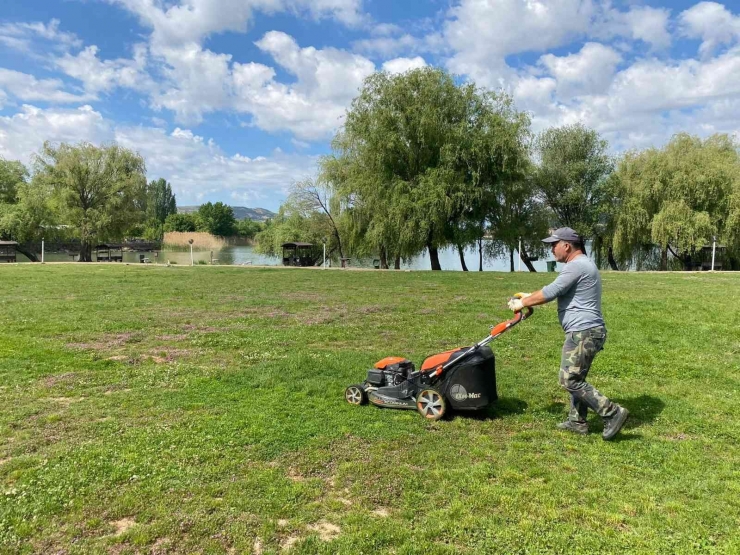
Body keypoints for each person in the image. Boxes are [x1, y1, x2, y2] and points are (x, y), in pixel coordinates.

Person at [507, 227, 629, 440]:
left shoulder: (577, 265)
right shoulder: (581, 265)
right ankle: (577, 421)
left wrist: (522, 303)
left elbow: (552, 292)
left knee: (569, 379)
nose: (552, 250)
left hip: (584, 332)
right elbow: (557, 289)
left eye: (554, 245)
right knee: (577, 376)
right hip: (589, 331)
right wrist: (529, 296)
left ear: (567, 245)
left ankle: (612, 412)